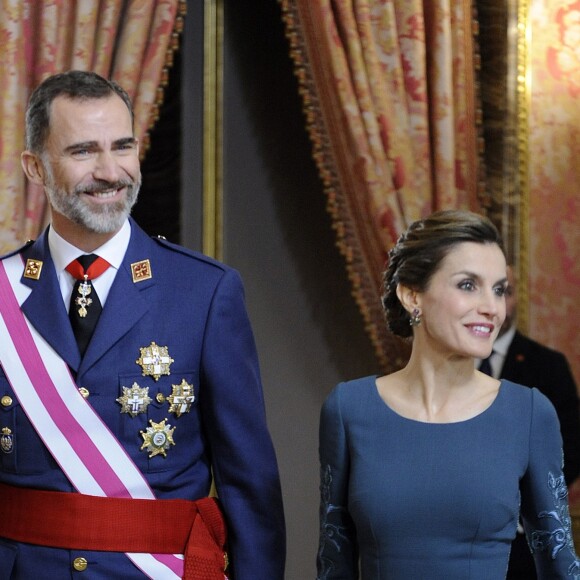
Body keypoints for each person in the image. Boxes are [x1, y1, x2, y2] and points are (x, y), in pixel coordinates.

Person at [0, 70, 285, 579]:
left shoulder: (205, 292)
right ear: (35, 168)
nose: (111, 171)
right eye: (83, 151)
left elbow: (250, 489)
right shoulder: (4, 292)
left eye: (123, 146)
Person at [317, 210, 580, 579]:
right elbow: (333, 562)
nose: (492, 307)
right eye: (468, 285)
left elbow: (559, 565)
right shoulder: (349, 409)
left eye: (499, 289)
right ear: (412, 295)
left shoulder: (530, 412)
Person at [477, 266, 580, 579]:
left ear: (516, 297)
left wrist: (523, 500)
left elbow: (571, 447)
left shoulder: (546, 366)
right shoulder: (447, 366)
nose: (494, 304)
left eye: (503, 291)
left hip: (523, 537)